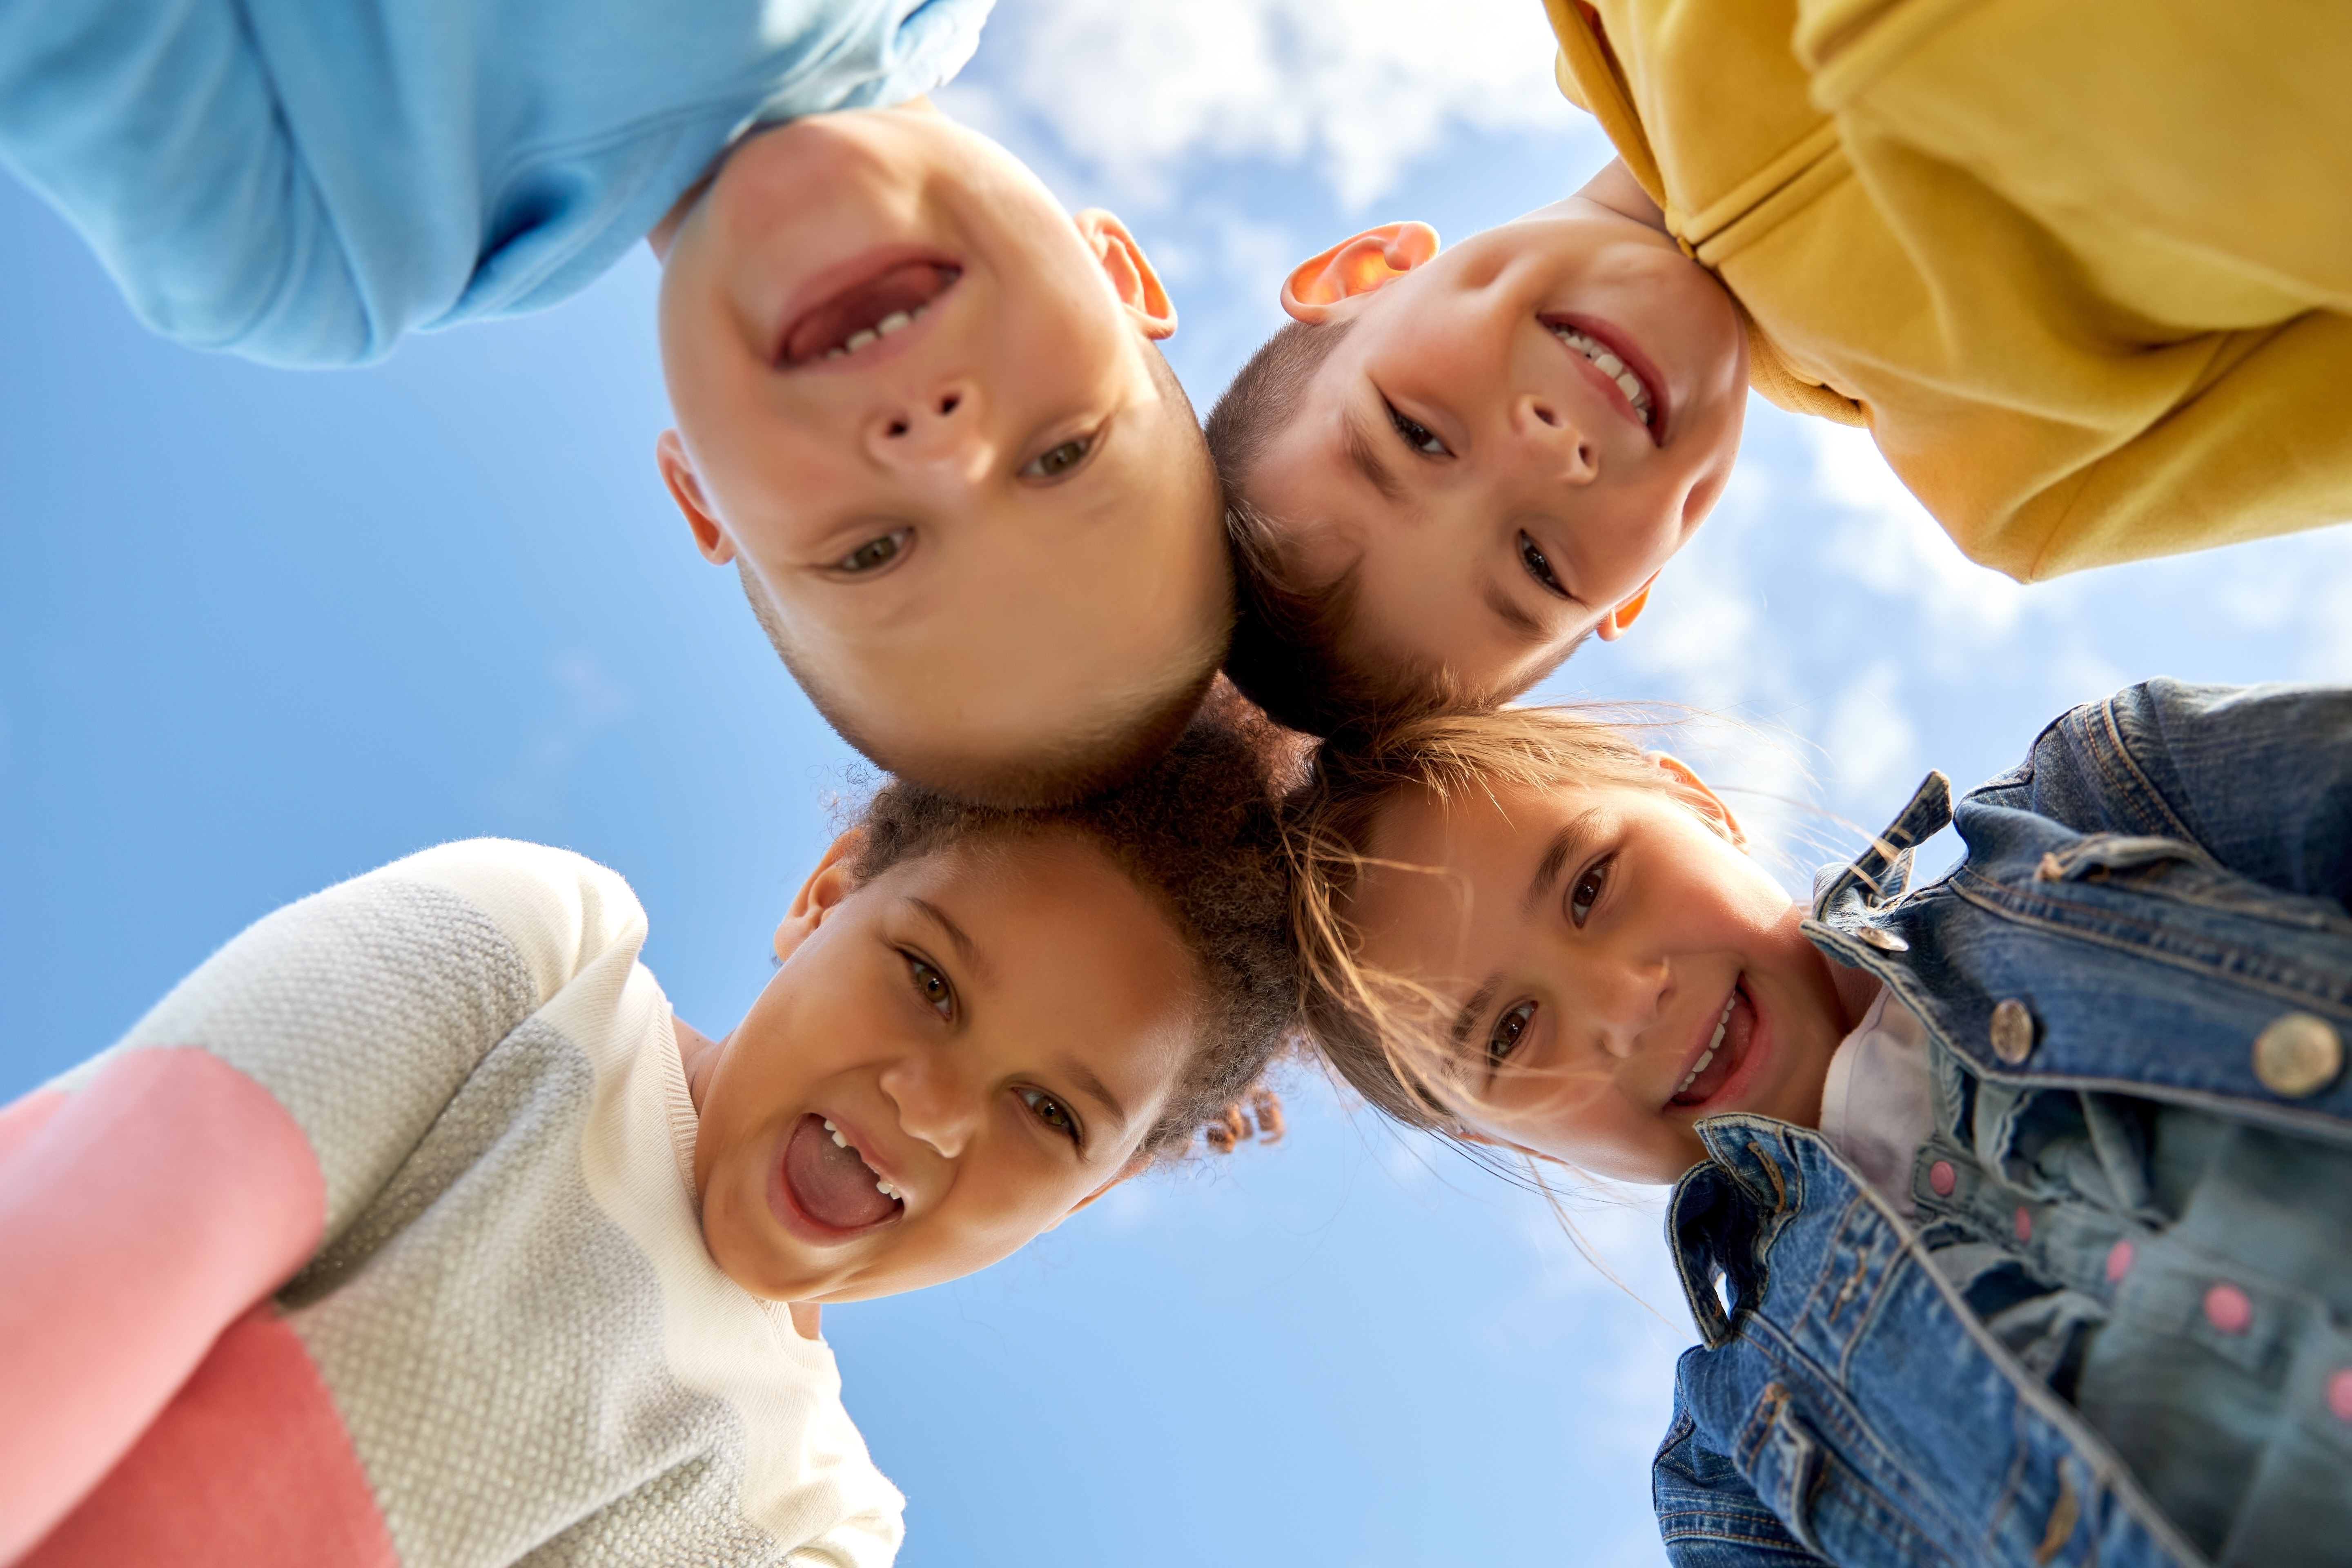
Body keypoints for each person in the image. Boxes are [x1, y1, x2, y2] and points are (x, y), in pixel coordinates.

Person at [0, 690, 1296, 1566]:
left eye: (1052, 1114)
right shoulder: (541, 962)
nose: (938, 1108)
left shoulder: (820, 1524)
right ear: (827, 893)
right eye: (931, 980)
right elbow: (81, 1260)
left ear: (1083, 1197)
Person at [0, 0, 1231, 806]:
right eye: (1063, 457)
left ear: (704, 499)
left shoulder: (311, 247)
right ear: (1121, 280)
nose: (943, 447)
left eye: (873, 550)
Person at [1284, 680, 2352, 1564]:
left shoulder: (2107, 798)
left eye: (1592, 885)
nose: (1624, 1003)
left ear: (1696, 803)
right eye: (1511, 1031)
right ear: (1497, 1136)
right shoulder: (1743, 1486)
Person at [1206, 0, 2352, 735]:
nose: (1550, 453)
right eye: (1540, 565)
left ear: (1362, 276)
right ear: (1633, 588)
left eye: (1417, 435)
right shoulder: (2032, 478)